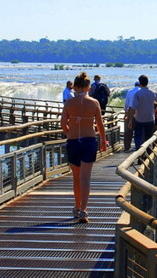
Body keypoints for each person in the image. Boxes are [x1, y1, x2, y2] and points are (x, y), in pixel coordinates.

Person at [60, 72, 107, 223]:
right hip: (89, 141)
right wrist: (103, 140)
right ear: (88, 87)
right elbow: (100, 125)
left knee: (76, 178)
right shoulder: (94, 103)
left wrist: (70, 132)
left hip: (73, 141)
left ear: (75, 86)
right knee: (85, 178)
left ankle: (76, 206)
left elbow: (62, 124)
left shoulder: (69, 103)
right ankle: (83, 211)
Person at [131, 75, 157, 149]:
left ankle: (139, 152)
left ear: (140, 82)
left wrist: (131, 120)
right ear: (147, 82)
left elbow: (134, 107)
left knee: (138, 136)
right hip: (150, 118)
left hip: (139, 118)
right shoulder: (153, 92)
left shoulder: (137, 94)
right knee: (149, 137)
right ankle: (148, 152)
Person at [123, 81, 140, 152]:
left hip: (130, 110)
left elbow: (126, 103)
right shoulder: (140, 91)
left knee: (129, 130)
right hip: (139, 110)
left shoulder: (130, 91)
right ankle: (138, 146)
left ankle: (127, 146)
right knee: (139, 129)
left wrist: (126, 113)